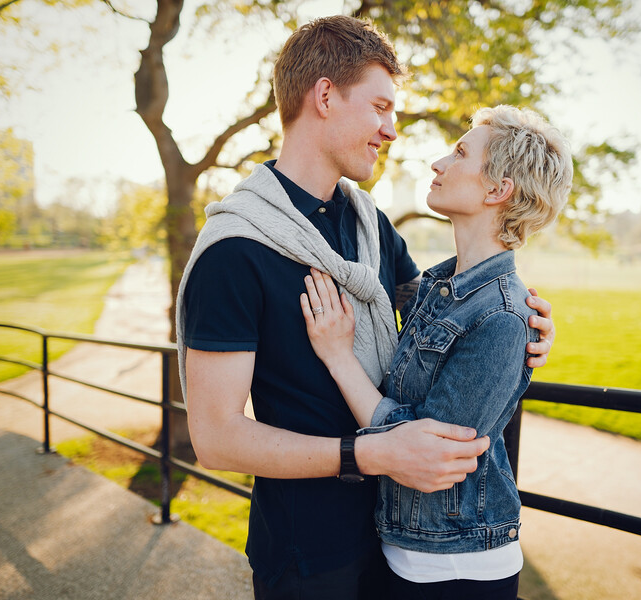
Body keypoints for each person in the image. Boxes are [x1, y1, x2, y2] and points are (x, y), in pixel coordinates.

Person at [175, 16, 556, 600]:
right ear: (324, 96)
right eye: (380, 108)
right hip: (310, 555)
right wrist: (369, 453)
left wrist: (527, 327)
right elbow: (217, 438)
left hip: (401, 545)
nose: (392, 131)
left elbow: (445, 315)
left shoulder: (370, 225)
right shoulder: (236, 251)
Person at [299, 104, 572, 599]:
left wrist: (338, 357)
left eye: (461, 153)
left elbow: (428, 458)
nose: (439, 163)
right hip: (406, 552)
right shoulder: (437, 286)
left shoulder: (504, 318)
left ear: (497, 190)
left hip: (457, 571)